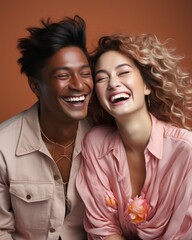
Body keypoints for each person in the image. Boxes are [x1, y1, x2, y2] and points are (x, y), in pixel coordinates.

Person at [76, 33, 192, 240]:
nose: (113, 84)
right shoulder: (96, 144)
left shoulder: (185, 150)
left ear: (147, 86)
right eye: (102, 78)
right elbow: (103, 228)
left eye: (123, 73)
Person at [0, 15, 93, 240]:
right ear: (35, 86)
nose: (79, 85)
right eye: (63, 75)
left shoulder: (107, 138)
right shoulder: (3, 147)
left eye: (85, 73)